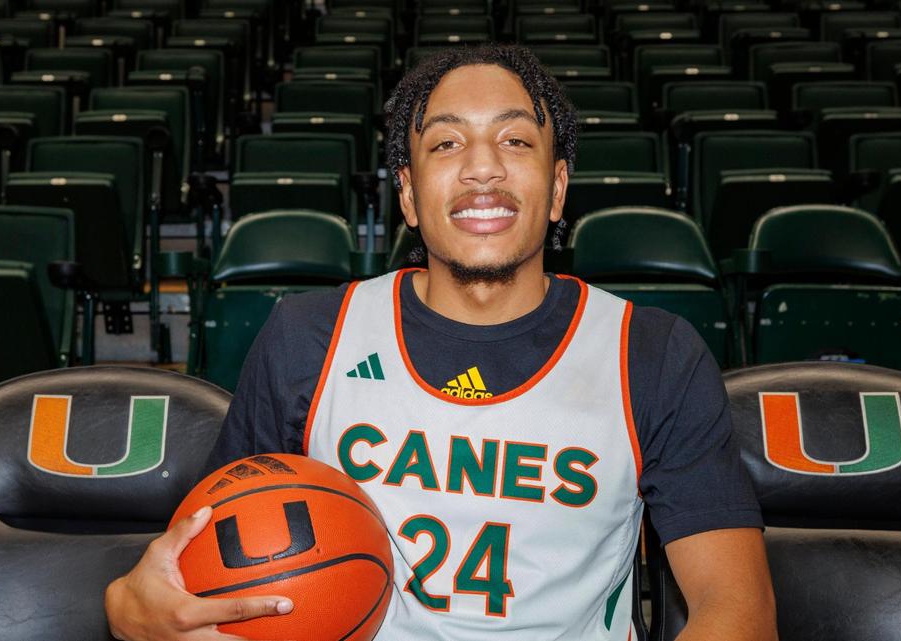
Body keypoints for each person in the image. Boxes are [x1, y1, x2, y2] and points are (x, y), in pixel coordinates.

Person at [106, 44, 778, 641]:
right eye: (446, 144)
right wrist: (130, 606)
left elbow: (737, 612)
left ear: (558, 188)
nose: (482, 169)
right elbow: (185, 565)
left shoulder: (652, 353)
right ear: (406, 194)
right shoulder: (308, 335)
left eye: (516, 142)